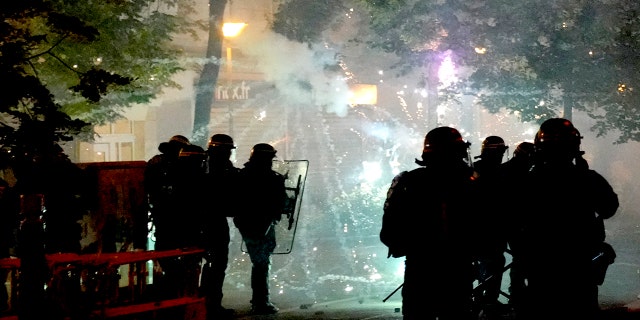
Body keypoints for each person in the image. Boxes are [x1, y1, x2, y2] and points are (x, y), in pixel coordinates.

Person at [518, 118, 619, 320]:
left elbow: (513, 218)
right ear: (575, 145)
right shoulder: (588, 179)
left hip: (541, 261)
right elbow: (608, 208)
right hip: (580, 261)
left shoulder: (527, 181)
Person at [380, 126, 478, 320]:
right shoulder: (471, 183)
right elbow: (484, 225)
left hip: (420, 267)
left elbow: (390, 229)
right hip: (458, 267)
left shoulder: (407, 181)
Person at [144, 135, 206, 298]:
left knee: (167, 257)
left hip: (162, 219)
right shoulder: (184, 172)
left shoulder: (156, 163)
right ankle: (175, 295)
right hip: (175, 223)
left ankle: (170, 294)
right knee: (177, 262)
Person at [233, 143, 287, 315]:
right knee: (262, 263)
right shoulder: (272, 179)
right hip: (262, 224)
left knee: (259, 262)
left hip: (246, 224)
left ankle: (260, 299)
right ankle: (260, 301)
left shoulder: (242, 175)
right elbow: (280, 203)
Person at [200, 134, 239, 319]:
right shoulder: (221, 169)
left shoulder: (201, 165)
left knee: (203, 265)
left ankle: (200, 303)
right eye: (227, 150)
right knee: (217, 264)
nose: (229, 154)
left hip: (198, 221)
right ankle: (212, 305)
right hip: (214, 221)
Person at [472, 136, 509, 311]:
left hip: (482, 226)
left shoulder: (474, 169)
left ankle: (481, 296)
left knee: (489, 262)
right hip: (487, 227)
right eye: (500, 152)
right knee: (494, 261)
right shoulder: (498, 173)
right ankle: (488, 297)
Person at [498, 141, 534, 309]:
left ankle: (504, 294)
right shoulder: (528, 175)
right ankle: (518, 292)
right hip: (516, 226)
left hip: (498, 226)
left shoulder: (502, 170)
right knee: (523, 257)